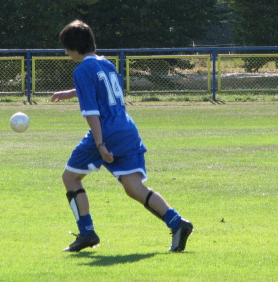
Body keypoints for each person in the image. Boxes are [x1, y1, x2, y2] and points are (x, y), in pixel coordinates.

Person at [51, 20, 193, 252]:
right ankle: (177, 223)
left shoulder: (81, 70)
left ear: (74, 47)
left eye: (66, 48)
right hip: (127, 128)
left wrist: (99, 144)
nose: (66, 53)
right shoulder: (105, 63)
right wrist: (70, 93)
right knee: (133, 187)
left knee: (70, 178)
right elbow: (102, 90)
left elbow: (92, 112)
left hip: (106, 131)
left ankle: (87, 233)